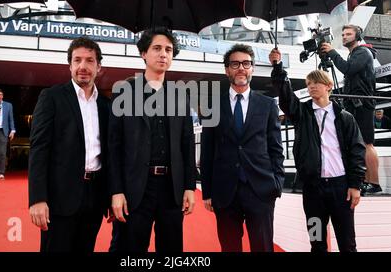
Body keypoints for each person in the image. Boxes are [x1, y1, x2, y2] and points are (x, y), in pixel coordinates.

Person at [108, 26, 196, 252]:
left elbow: (187, 144)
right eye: (156, 48)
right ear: (143, 54)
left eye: (168, 49)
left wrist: (189, 186)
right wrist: (116, 191)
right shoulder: (124, 91)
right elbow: (114, 146)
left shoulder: (180, 94)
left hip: (171, 189)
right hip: (135, 189)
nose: (163, 54)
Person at [270, 48, 366, 252]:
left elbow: (357, 152)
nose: (312, 87)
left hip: (342, 189)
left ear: (329, 86)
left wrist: (356, 185)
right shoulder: (302, 113)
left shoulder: (345, 117)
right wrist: (278, 68)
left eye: (317, 83)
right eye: (309, 84)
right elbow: (286, 98)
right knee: (317, 242)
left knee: (347, 243)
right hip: (313, 190)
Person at [200, 44, 285, 252]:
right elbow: (207, 150)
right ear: (227, 69)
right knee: (229, 247)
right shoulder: (213, 106)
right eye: (235, 64)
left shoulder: (267, 105)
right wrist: (207, 192)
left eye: (246, 63)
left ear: (253, 68)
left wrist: (277, 183)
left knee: (263, 247)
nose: (241, 68)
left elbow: (276, 148)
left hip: (261, 189)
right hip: (224, 191)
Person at [28, 37, 109, 252]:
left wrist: (110, 195)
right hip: (59, 198)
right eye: (77, 60)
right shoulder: (52, 97)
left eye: (90, 60)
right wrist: (37, 199)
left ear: (99, 67)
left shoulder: (105, 105)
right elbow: (39, 149)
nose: (83, 66)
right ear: (70, 66)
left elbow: (109, 153)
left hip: (95, 196)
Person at [320, 24, 380, 195]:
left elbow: (348, 68)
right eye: (343, 34)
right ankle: (364, 180)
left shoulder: (363, 52)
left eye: (348, 34)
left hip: (363, 104)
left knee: (367, 143)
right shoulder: (355, 53)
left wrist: (332, 53)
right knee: (359, 143)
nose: (344, 36)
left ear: (358, 36)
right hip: (355, 103)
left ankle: (374, 183)